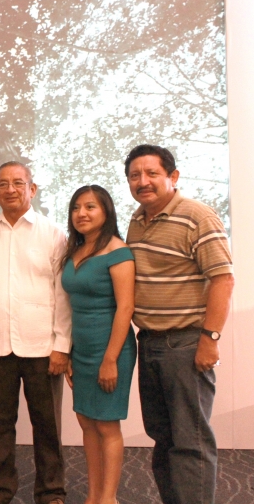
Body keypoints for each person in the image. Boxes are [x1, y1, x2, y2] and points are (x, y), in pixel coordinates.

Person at [124, 144, 234, 504]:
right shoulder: (136, 220)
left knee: (191, 441)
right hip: (150, 342)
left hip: (186, 344)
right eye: (135, 175)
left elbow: (223, 280)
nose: (143, 181)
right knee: (163, 436)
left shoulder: (198, 215)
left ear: (172, 176)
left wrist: (210, 339)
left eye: (152, 173)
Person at [0, 161, 71, 504]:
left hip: (43, 346)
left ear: (32, 189)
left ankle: (51, 492)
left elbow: (63, 293)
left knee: (48, 427)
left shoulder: (53, 233)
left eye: (18, 183)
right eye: (2, 184)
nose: (10, 189)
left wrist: (62, 345)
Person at [60, 185, 136, 504]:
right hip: (82, 349)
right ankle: (93, 496)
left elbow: (126, 307)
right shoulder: (73, 250)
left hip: (111, 349)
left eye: (90, 207)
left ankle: (108, 499)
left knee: (106, 426)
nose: (82, 213)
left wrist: (110, 360)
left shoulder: (118, 251)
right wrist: (69, 353)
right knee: (86, 423)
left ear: (106, 211)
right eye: (77, 207)